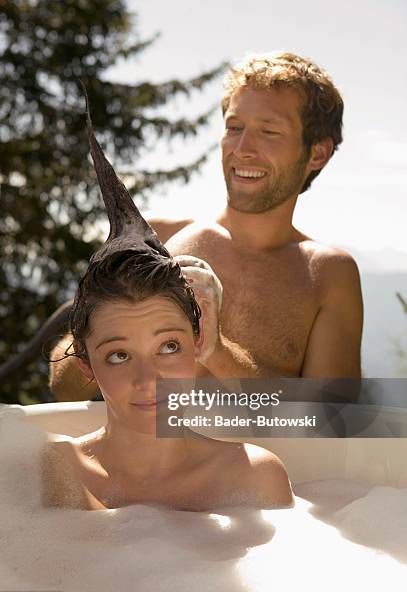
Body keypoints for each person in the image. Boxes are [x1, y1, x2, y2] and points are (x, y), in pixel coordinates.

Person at [49, 50, 363, 399]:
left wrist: (216, 351)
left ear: (317, 153)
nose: (242, 148)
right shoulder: (152, 238)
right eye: (234, 127)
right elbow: (63, 390)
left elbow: (333, 426)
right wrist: (112, 329)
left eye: (269, 131)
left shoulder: (329, 274)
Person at [41, 101, 293, 511]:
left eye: (169, 346)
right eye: (119, 355)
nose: (149, 379)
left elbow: (334, 420)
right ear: (85, 363)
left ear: (197, 342)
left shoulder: (254, 479)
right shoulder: (59, 472)